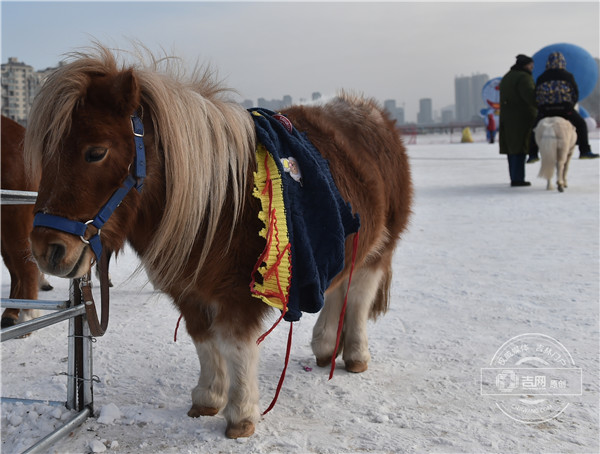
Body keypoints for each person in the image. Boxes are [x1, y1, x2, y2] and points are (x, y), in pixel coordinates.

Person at [527, 51, 599, 162]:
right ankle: (584, 151)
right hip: (565, 109)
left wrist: (541, 108)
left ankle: (533, 154)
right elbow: (575, 93)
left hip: (546, 110)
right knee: (581, 124)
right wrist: (570, 106)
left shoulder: (542, 77)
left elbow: (536, 94)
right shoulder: (568, 76)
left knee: (534, 128)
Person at [499, 54, 537, 187]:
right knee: (519, 147)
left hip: (507, 118)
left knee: (512, 148)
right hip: (521, 118)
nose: (532, 68)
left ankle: (515, 176)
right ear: (526, 65)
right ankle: (518, 179)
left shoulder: (507, 76)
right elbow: (531, 97)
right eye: (531, 65)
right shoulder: (523, 78)